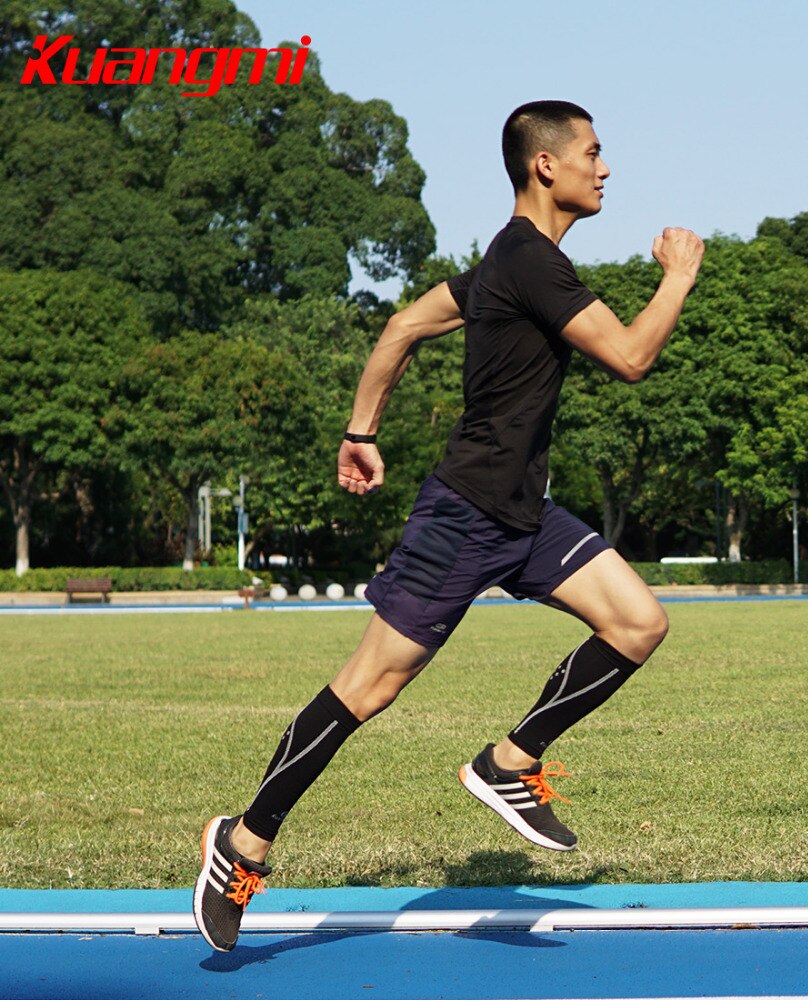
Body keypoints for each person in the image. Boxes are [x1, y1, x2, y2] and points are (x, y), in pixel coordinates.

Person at [194, 99, 704, 952]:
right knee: (368, 690)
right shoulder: (532, 261)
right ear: (546, 165)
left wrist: (361, 431)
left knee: (639, 622)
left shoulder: (506, 265)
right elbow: (631, 357)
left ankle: (510, 762)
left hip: (523, 515)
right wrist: (679, 276)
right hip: (465, 515)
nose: (604, 167)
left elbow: (403, 325)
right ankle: (241, 842)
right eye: (592, 151)